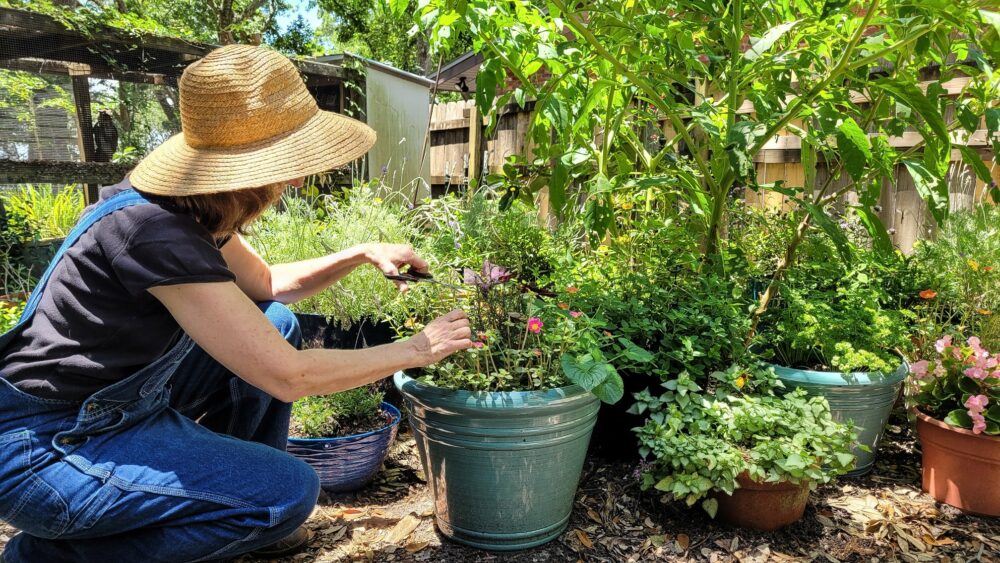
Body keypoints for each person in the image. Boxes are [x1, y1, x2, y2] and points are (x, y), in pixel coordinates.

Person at [0, 44, 472, 562]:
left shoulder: (191, 207)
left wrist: (362, 253)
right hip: (49, 449)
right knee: (287, 494)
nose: (295, 179)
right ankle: (46, 555)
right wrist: (416, 350)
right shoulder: (152, 230)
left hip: (117, 408)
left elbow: (269, 284)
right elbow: (288, 376)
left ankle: (230, 500)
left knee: (277, 321)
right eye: (286, 164)